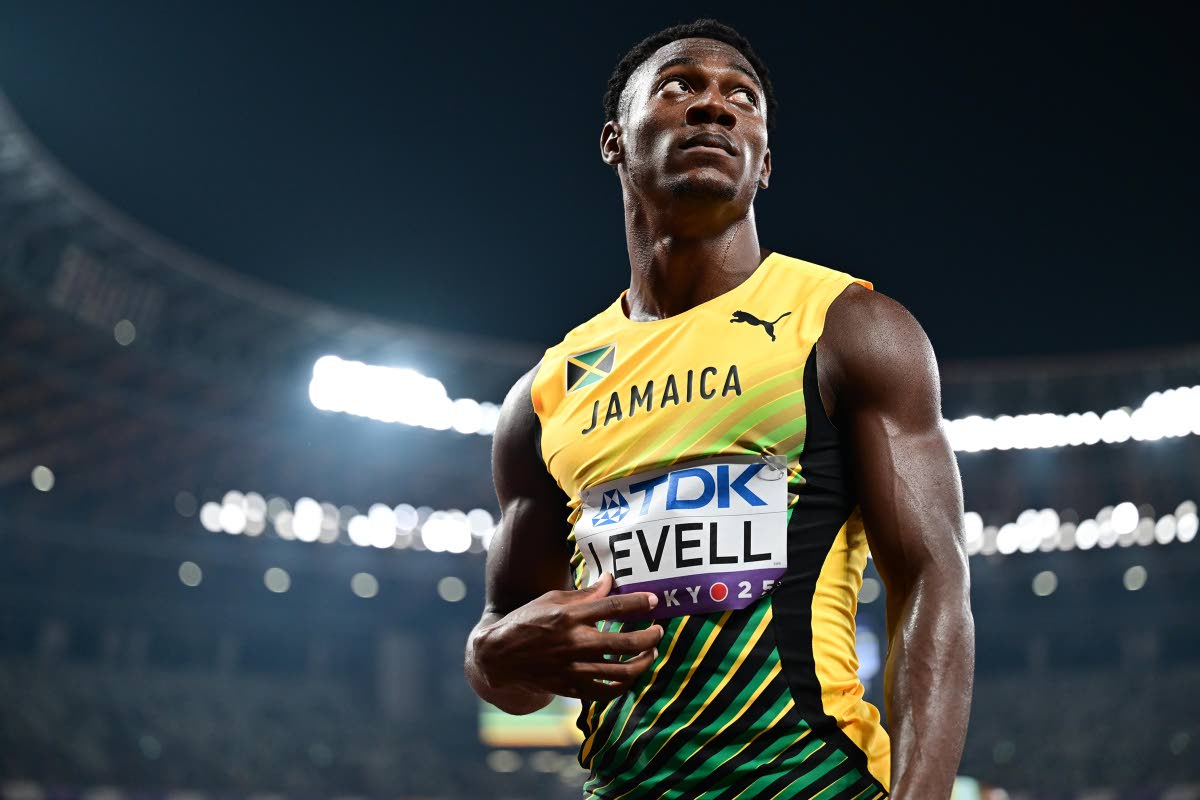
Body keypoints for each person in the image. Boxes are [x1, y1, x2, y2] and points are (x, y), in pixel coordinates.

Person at [465, 18, 974, 799]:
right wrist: (487, 657)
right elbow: (516, 667)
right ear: (614, 141)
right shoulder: (545, 395)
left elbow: (932, 583)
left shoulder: (848, 326)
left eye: (743, 97)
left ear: (764, 162)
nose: (715, 106)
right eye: (680, 87)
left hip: (816, 784)